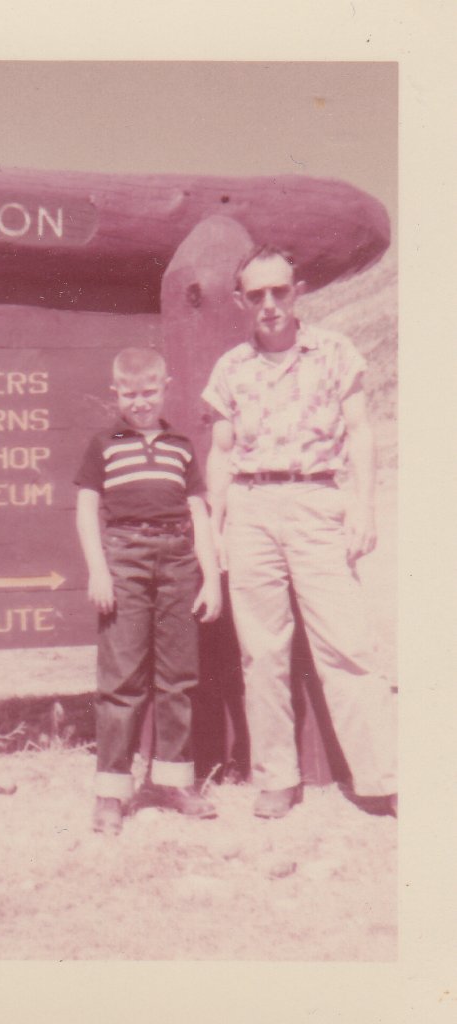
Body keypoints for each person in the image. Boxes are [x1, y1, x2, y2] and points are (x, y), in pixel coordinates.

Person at [202, 244, 397, 819]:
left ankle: (381, 776)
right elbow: (220, 451)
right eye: (256, 294)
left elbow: (360, 431)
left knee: (348, 642)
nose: (269, 305)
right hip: (251, 505)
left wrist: (362, 506)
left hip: (317, 500)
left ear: (298, 291)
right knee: (262, 650)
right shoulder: (230, 368)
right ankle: (276, 777)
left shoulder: (336, 352)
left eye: (279, 291)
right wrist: (215, 526)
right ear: (241, 300)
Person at [75, 347, 223, 836]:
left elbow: (199, 513)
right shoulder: (104, 445)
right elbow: (86, 511)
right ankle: (112, 792)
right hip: (125, 558)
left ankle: (172, 781)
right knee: (122, 678)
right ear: (116, 393)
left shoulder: (181, 446)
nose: (140, 403)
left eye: (149, 393)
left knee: (177, 676)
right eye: (130, 394)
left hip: (178, 560)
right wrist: (99, 570)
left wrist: (210, 576)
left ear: (166, 388)